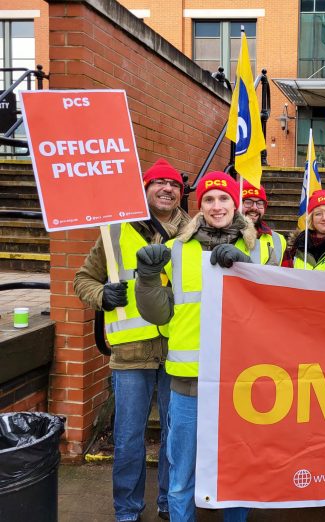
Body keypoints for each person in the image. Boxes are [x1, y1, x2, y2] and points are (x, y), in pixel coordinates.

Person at [73, 158, 190, 522]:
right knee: (126, 440)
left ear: (180, 193)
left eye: (173, 184)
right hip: (130, 354)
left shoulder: (194, 230)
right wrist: (101, 295)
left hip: (179, 350)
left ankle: (170, 504)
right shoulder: (114, 231)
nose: (167, 189)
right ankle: (127, 510)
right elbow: (82, 279)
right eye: (159, 183)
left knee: (176, 439)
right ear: (145, 189)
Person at [135, 171, 254, 522]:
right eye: (208, 200)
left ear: (236, 204)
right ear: (199, 206)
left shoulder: (261, 246)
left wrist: (249, 268)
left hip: (242, 379)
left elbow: (276, 304)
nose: (217, 206)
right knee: (181, 470)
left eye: (224, 199)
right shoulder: (175, 249)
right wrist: (146, 278)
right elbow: (158, 313)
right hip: (189, 378)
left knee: (238, 468)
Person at [235, 181, 286, 265]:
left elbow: (286, 276)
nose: (254, 207)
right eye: (248, 202)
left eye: (259, 203)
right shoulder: (225, 234)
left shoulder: (279, 240)